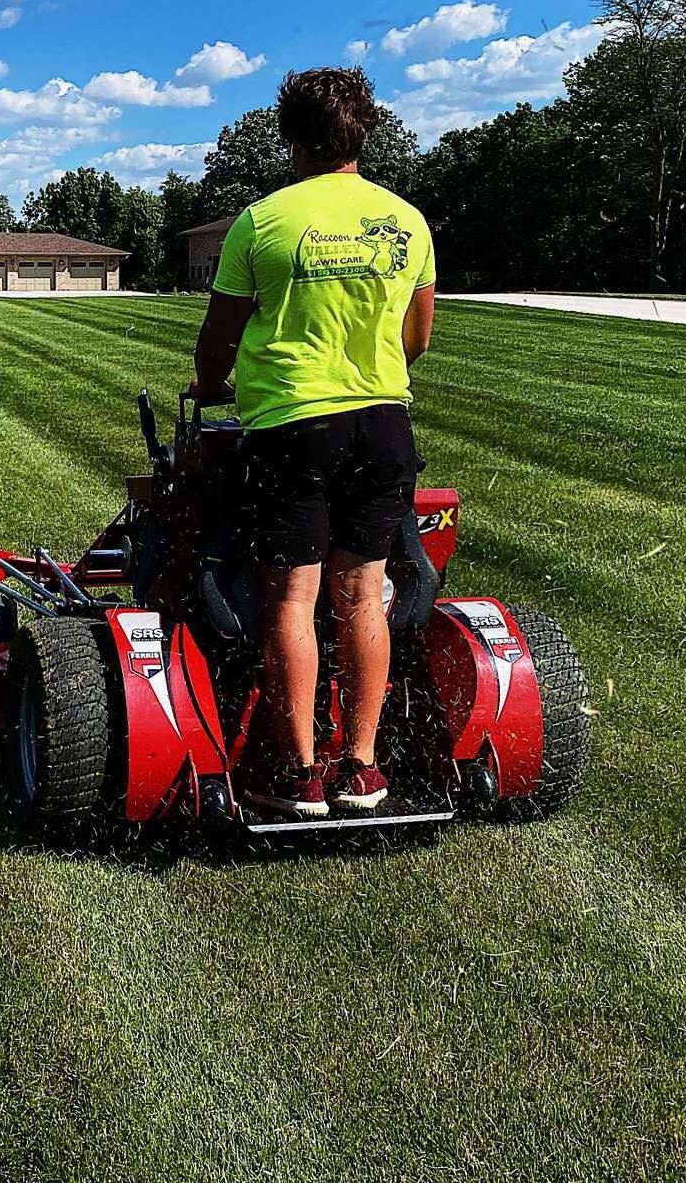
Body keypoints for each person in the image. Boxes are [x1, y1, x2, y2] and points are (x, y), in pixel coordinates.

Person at [190, 67, 436, 819]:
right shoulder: (407, 222)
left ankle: (299, 775)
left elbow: (218, 345)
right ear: (365, 131)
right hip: (385, 423)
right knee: (363, 592)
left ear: (291, 136)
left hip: (294, 428)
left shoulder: (262, 223)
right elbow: (416, 341)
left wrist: (211, 387)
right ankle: (361, 770)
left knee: (290, 596)